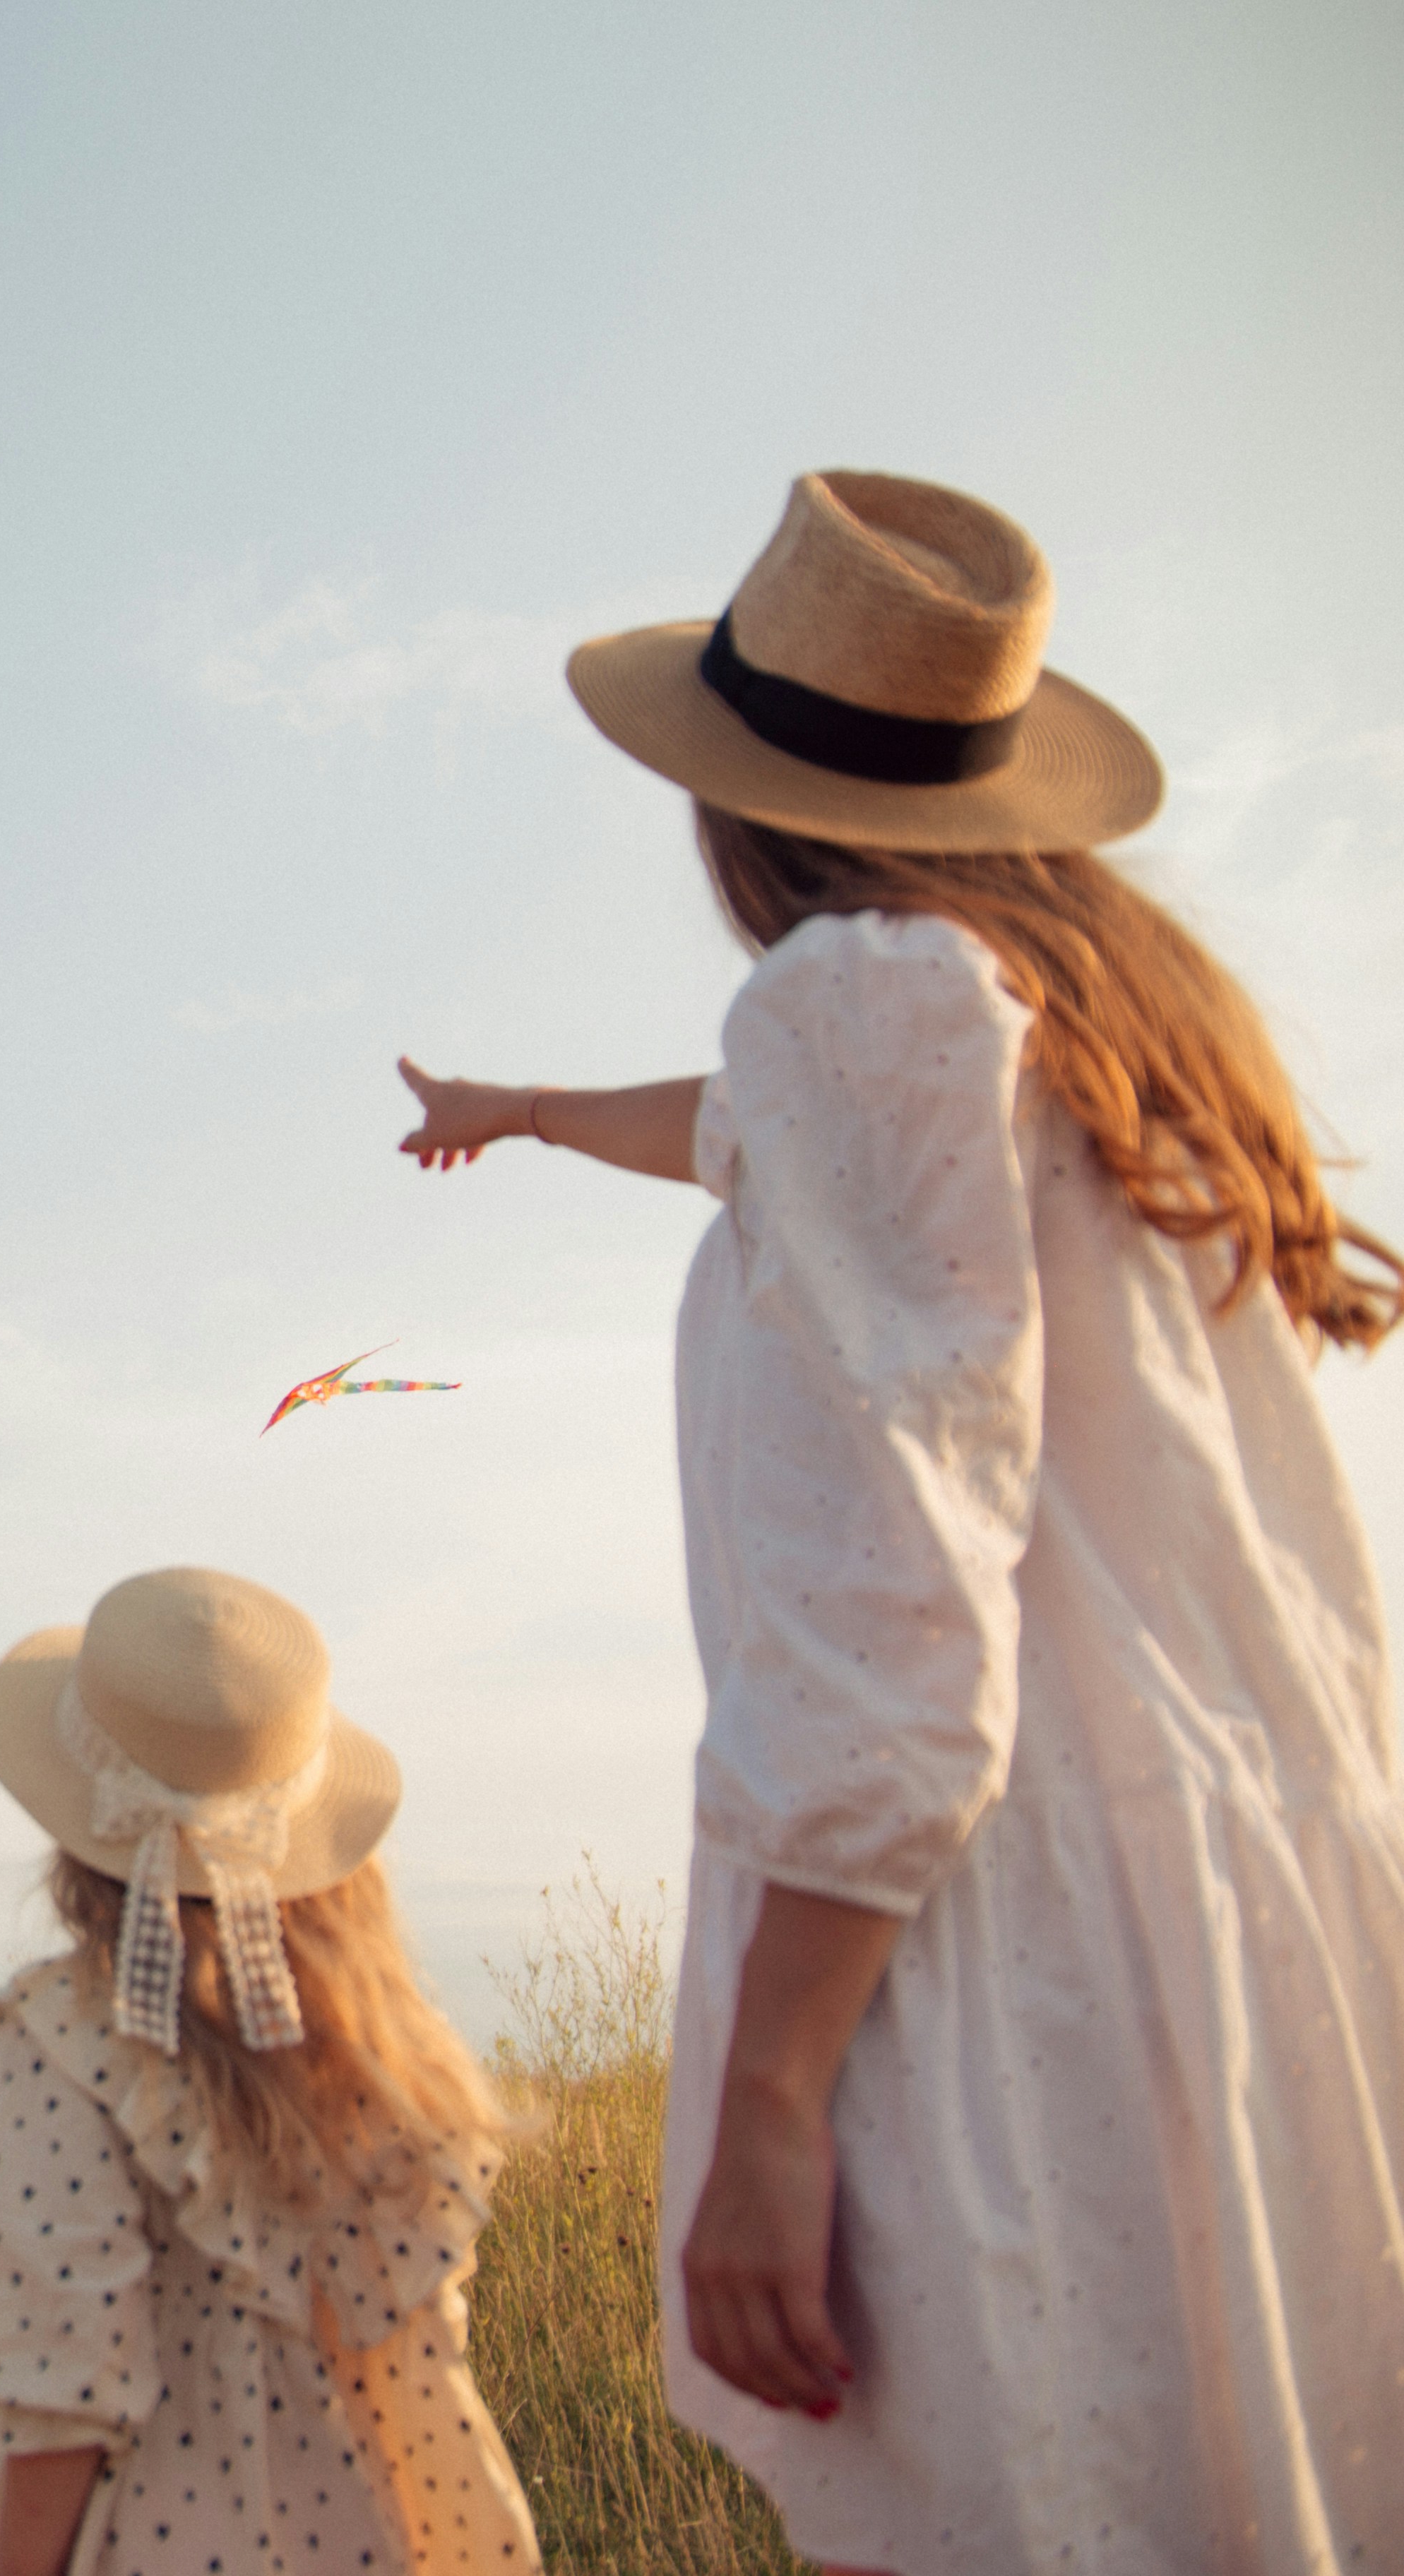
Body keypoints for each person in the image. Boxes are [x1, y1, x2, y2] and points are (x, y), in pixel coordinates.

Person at [397, 470, 1404, 2571]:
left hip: (992, 1932)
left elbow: (898, 1601)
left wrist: (772, 2097)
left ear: (736, 805)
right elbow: (753, 1136)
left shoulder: (856, 1004)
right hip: (1256, 1926)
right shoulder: (1083, 1029)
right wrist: (517, 1111)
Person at [0, 1566, 536, 2576]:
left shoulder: (72, 2048)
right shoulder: (388, 2060)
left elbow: (64, 2400)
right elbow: (425, 2363)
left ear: (83, 1839)